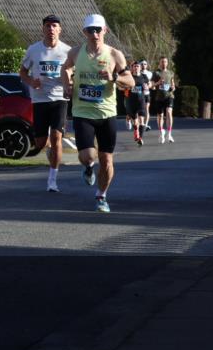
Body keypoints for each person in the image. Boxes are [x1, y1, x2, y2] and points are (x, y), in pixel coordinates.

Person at [62, 14, 133, 213]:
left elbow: (130, 81)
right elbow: (65, 69)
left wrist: (114, 77)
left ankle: (102, 196)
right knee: (87, 156)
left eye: (98, 30)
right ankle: (88, 167)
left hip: (107, 113)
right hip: (82, 112)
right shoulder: (76, 52)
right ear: (84, 32)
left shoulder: (114, 54)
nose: (95, 34)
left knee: (107, 160)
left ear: (105, 31)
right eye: (90, 30)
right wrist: (67, 85)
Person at [20, 15, 72, 192]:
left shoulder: (67, 51)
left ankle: (52, 180)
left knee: (57, 137)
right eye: (48, 26)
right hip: (40, 99)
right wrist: (31, 81)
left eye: (54, 26)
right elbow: (22, 72)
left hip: (59, 99)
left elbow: (73, 73)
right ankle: (49, 147)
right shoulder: (33, 49)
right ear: (43, 29)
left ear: (59, 29)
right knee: (40, 142)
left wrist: (69, 84)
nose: (51, 29)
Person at [150, 56, 177, 144]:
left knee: (169, 112)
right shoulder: (156, 73)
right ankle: (161, 132)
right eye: (162, 62)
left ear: (167, 63)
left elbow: (173, 85)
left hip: (169, 96)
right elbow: (152, 85)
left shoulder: (171, 73)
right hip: (159, 97)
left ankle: (169, 134)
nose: (164, 63)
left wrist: (173, 88)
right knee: (160, 116)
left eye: (165, 61)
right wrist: (158, 83)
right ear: (159, 63)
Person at [124, 61, 150, 146]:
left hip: (141, 100)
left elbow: (149, 84)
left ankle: (140, 138)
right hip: (131, 101)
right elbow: (124, 86)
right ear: (132, 68)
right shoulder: (129, 76)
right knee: (135, 121)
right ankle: (135, 130)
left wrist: (147, 86)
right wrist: (127, 87)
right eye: (134, 66)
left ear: (140, 67)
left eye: (137, 66)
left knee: (141, 120)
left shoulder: (144, 76)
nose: (136, 68)